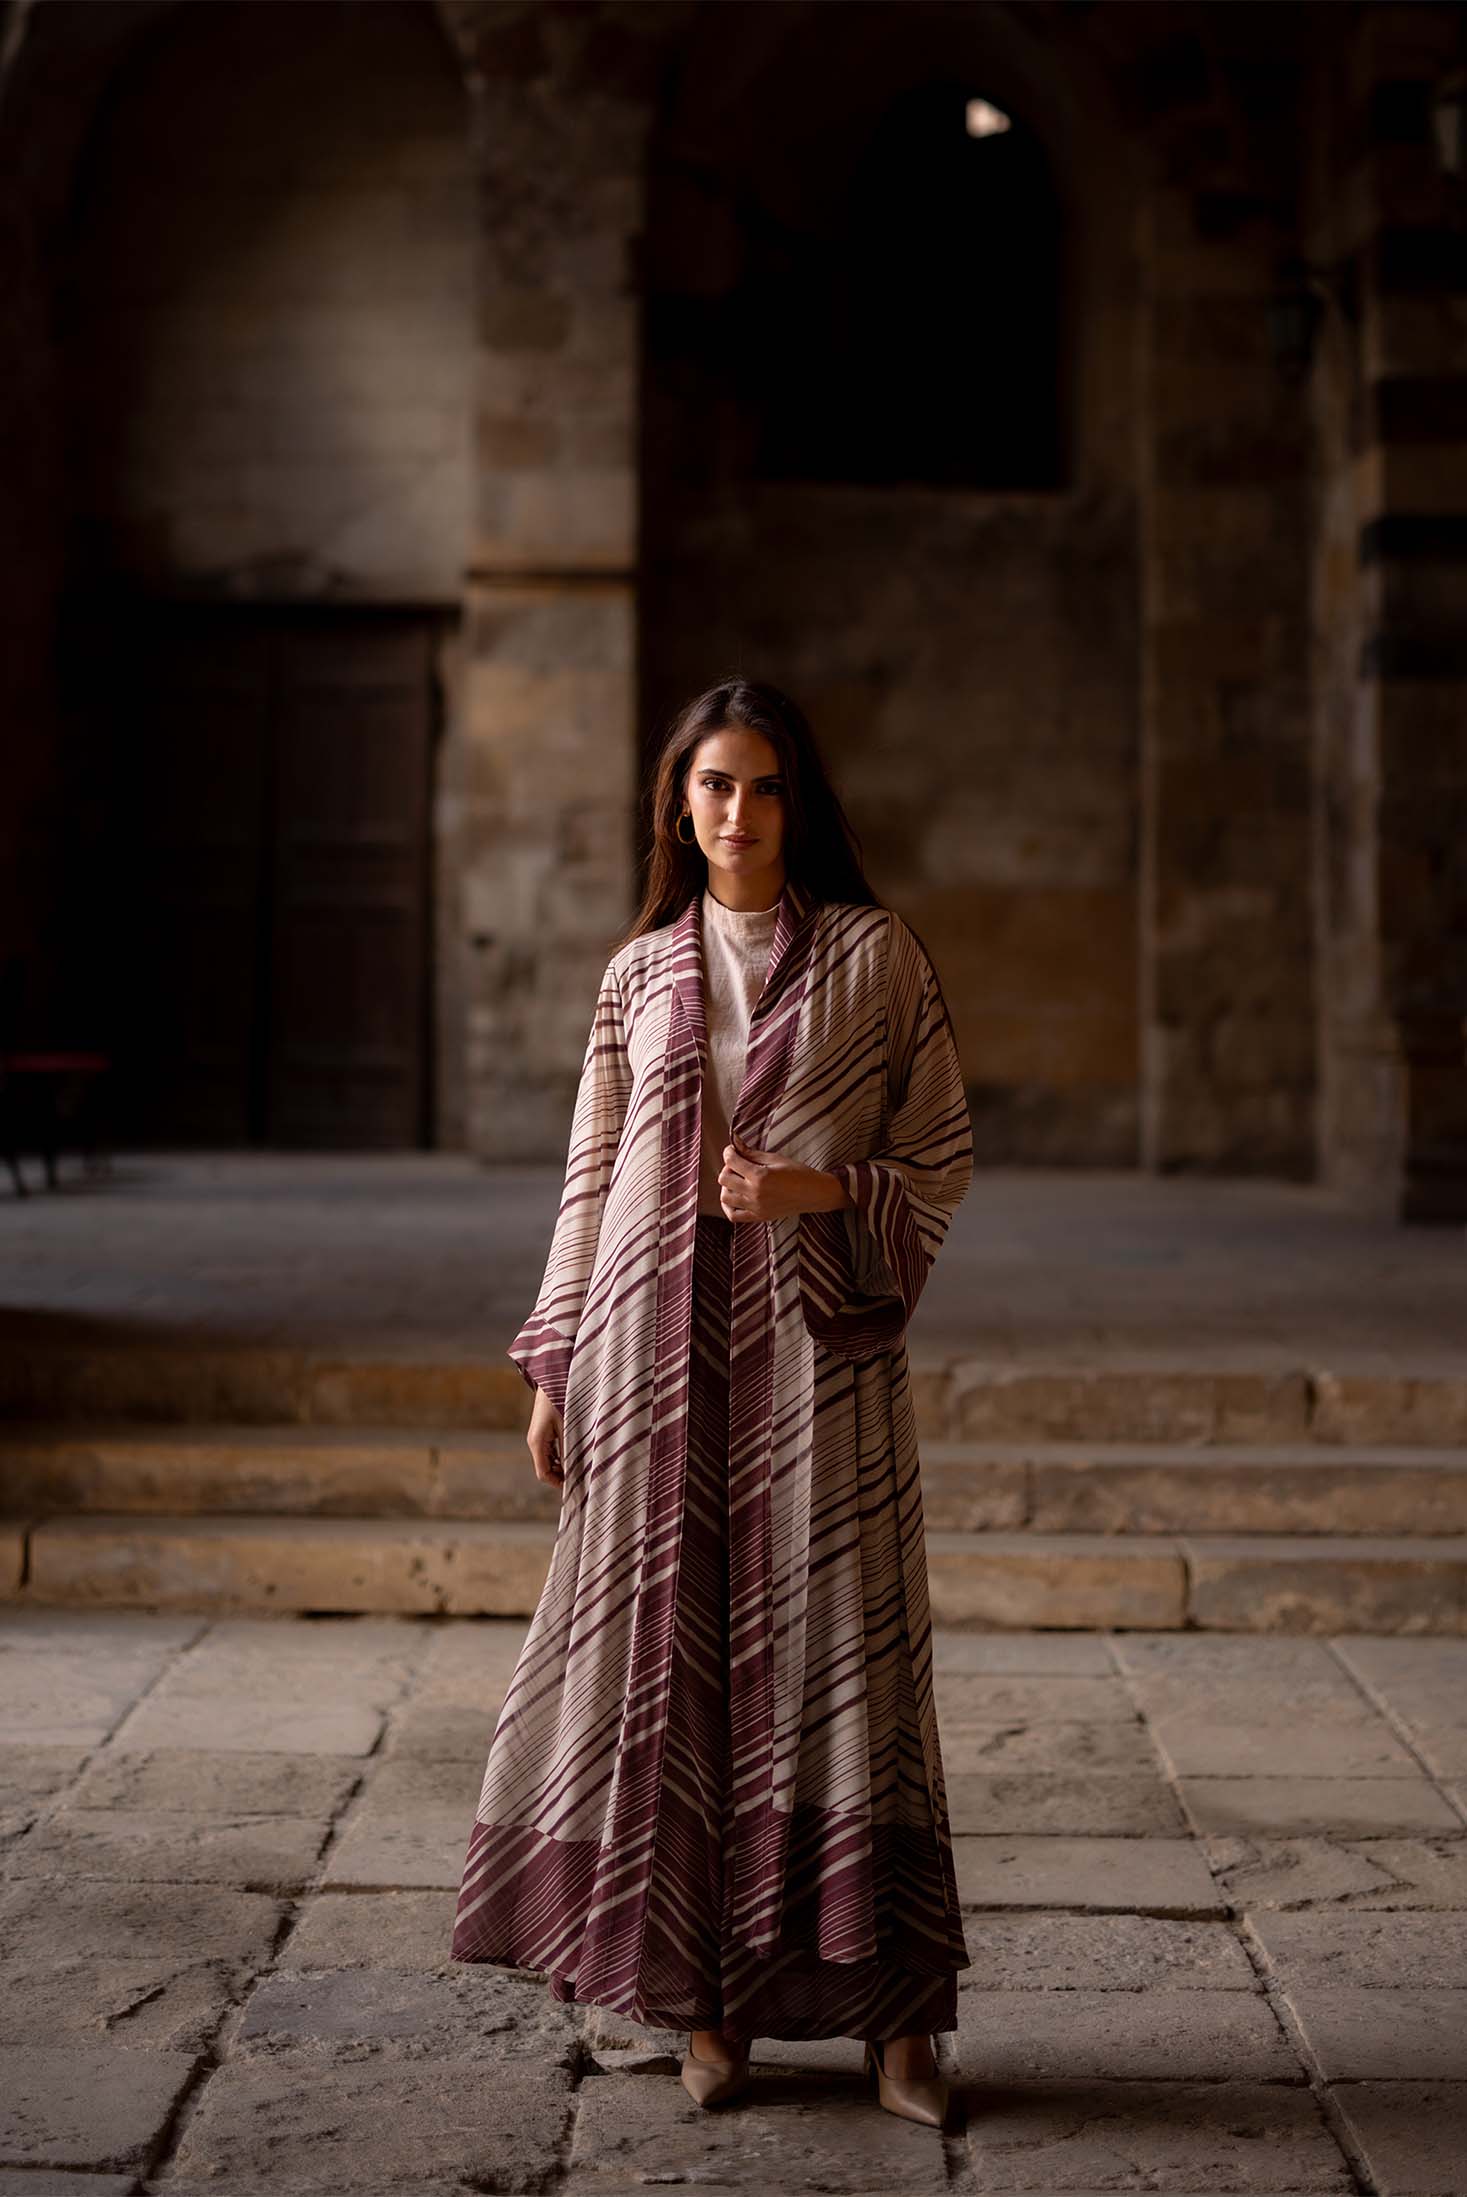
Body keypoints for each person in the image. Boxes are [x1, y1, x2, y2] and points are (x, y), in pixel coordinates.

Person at [450, 677, 974, 2129]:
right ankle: (708, 2005)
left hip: (822, 1363)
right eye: (711, 786)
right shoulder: (639, 975)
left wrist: (815, 1190)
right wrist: (556, 1354)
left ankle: (903, 2029)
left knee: (851, 1671)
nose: (735, 813)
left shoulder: (878, 959)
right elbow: (588, 1173)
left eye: (761, 786)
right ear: (677, 804)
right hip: (654, 1357)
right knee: (674, 1679)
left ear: (799, 799)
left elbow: (939, 1151)